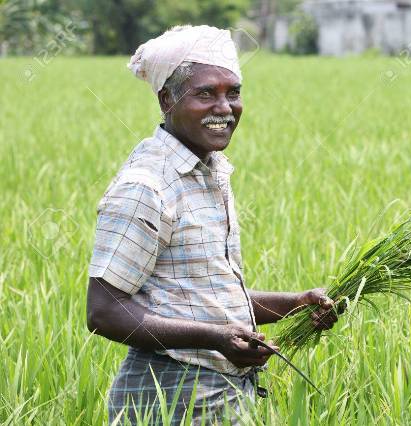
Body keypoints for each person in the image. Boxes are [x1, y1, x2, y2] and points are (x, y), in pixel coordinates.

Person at [85, 25, 339, 425]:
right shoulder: (147, 186)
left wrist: (294, 304)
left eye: (232, 93)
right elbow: (104, 312)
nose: (224, 108)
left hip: (219, 395)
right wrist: (215, 338)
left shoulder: (209, 173)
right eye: (205, 94)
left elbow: (204, 298)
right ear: (167, 99)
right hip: (169, 397)